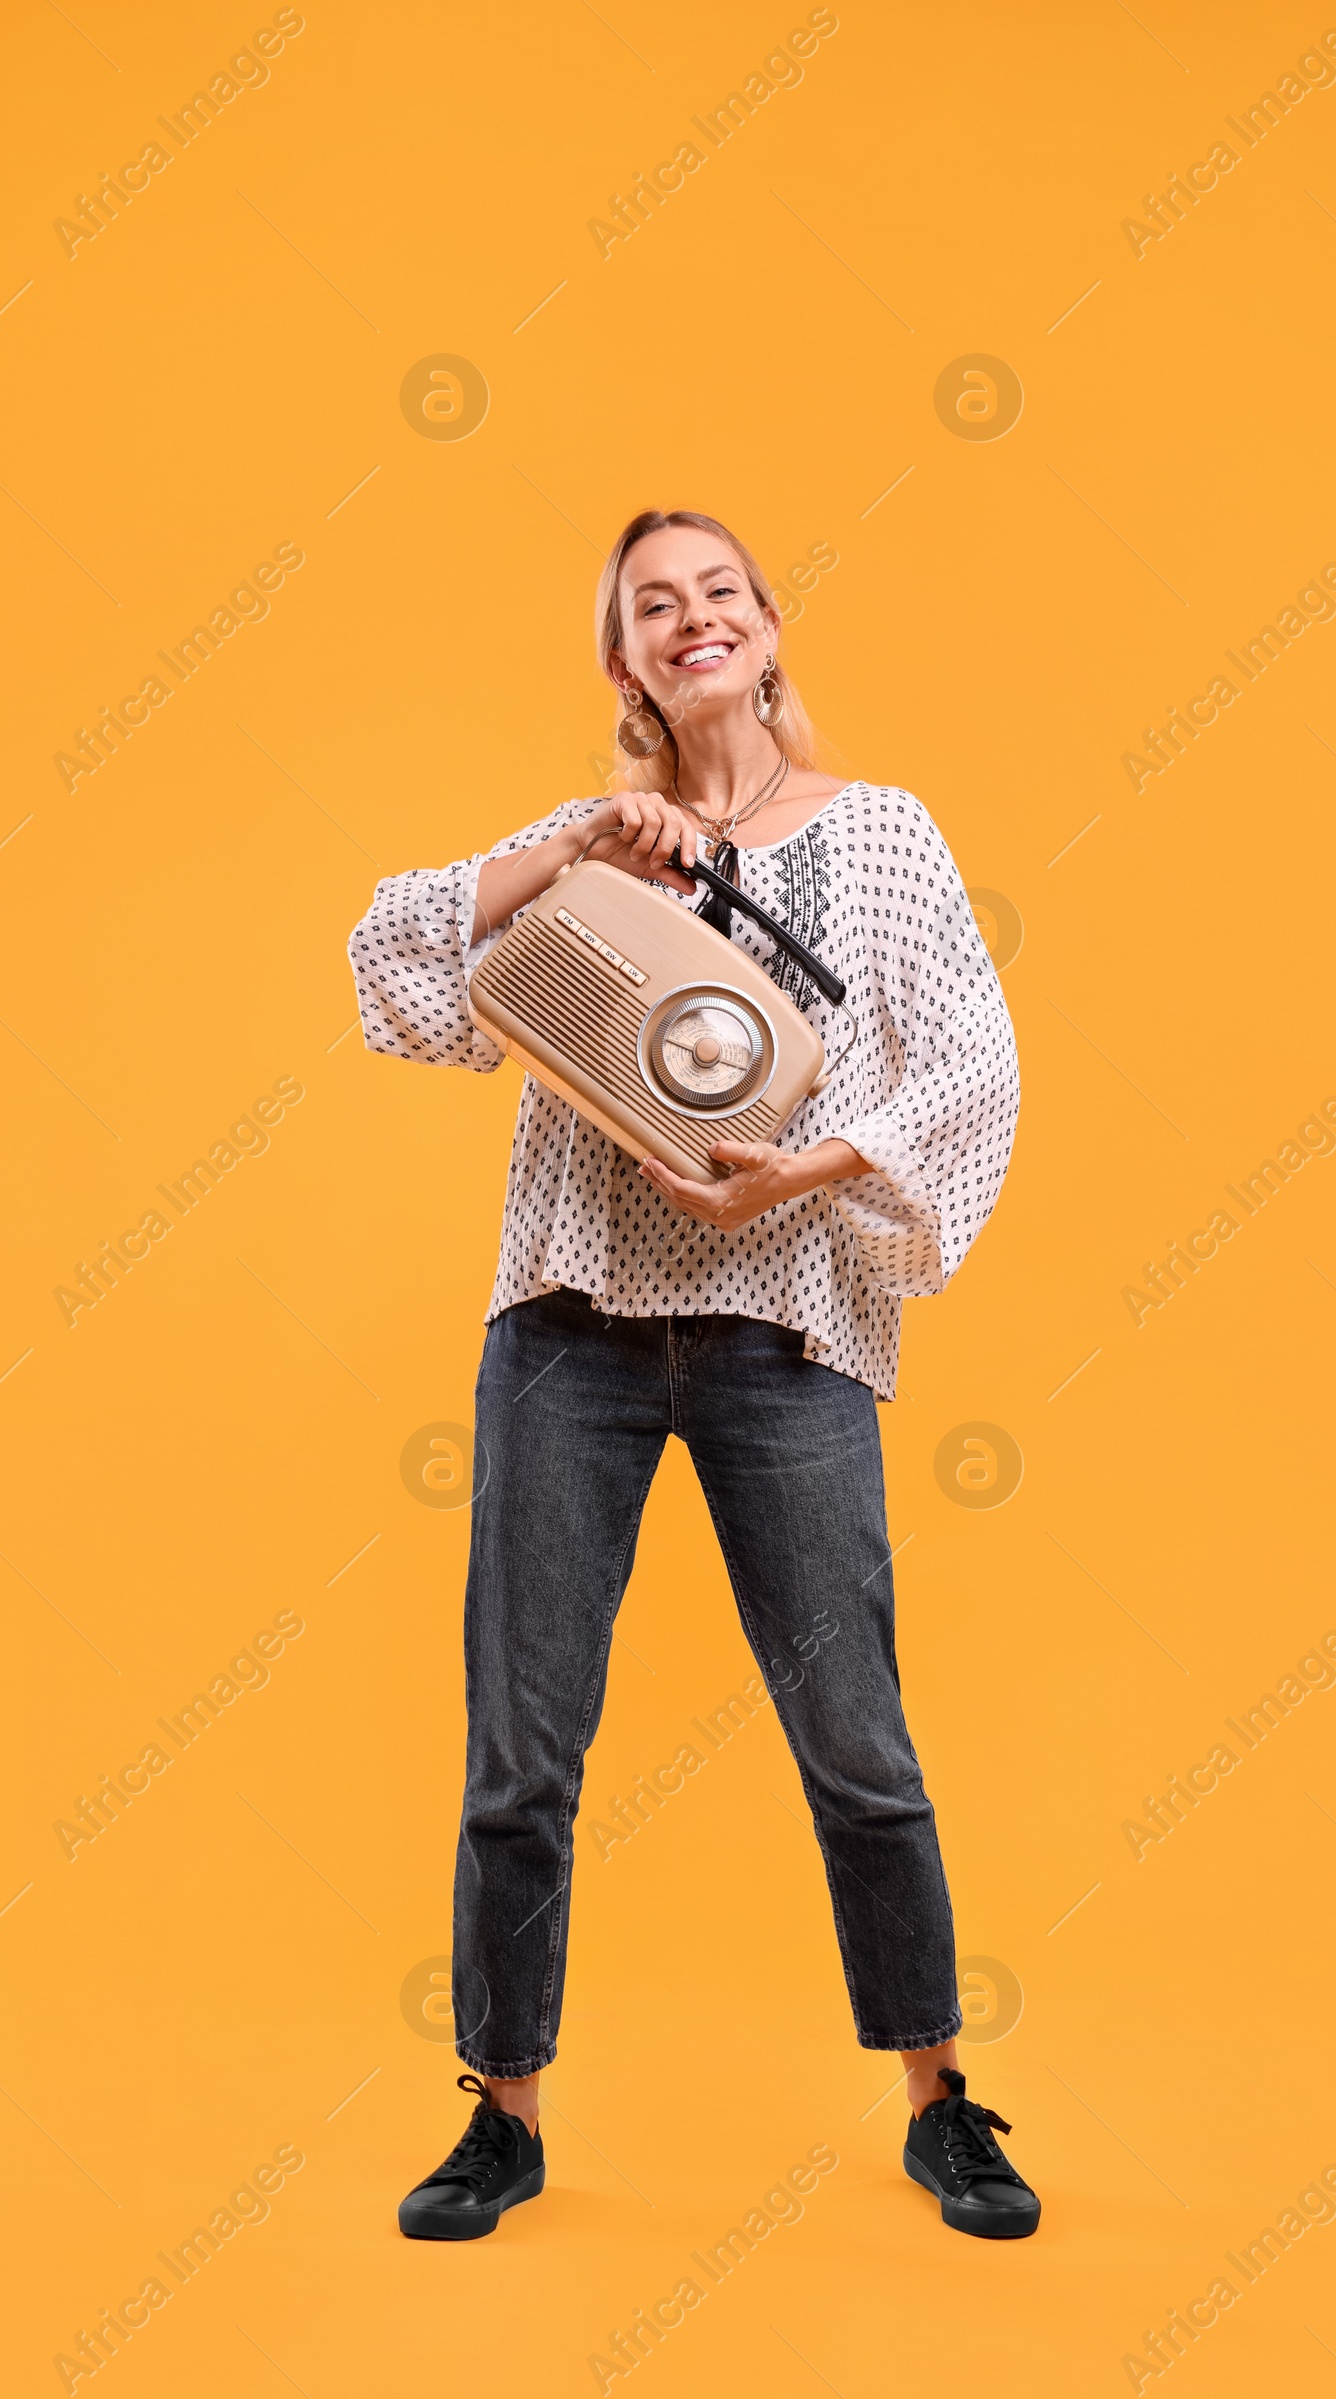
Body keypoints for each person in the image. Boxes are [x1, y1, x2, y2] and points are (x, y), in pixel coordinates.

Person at [347, 507, 1034, 2242]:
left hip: (782, 1336)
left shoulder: (881, 839)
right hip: (567, 1326)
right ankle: (500, 2116)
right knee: (524, 1748)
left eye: (718, 590)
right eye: (653, 605)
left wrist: (794, 1176)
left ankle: (940, 2103)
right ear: (624, 661)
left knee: (856, 1742)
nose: (691, 619)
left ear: (770, 626)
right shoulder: (590, 848)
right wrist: (569, 849)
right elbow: (391, 971)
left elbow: (972, 1069)